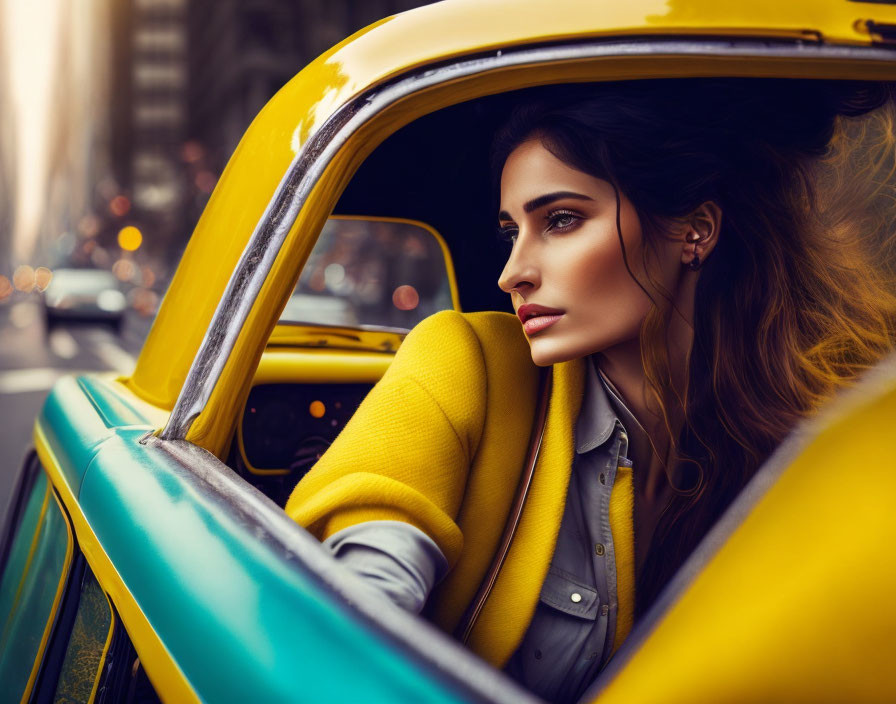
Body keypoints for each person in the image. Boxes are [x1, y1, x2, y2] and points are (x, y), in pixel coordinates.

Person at [285, 78, 896, 703]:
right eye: (510, 231)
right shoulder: (470, 362)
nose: (511, 273)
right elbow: (361, 579)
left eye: (561, 220)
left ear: (695, 230)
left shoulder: (829, 430)